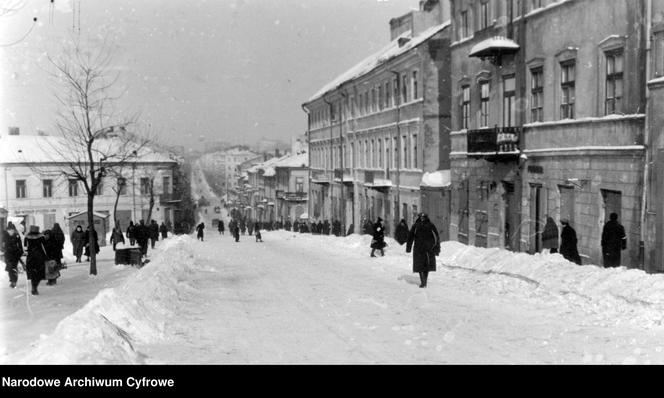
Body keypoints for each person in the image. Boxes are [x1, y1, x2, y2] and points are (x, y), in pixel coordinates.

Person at [406, 213, 440, 288]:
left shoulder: (430, 225)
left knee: (426, 266)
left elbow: (436, 237)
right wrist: (408, 248)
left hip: (428, 249)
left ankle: (424, 282)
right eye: (421, 217)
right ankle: (423, 282)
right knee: (420, 266)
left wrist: (436, 248)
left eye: (423, 217)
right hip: (419, 249)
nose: (422, 219)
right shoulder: (416, 226)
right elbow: (410, 237)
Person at [24, 226, 47, 295]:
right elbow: (45, 246)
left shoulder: (27, 237)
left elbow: (25, 248)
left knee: (32, 272)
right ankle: (35, 286)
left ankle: (34, 286)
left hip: (31, 257)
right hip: (39, 256)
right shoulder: (41, 236)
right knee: (40, 273)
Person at [4, 224, 23, 288]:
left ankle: (14, 281)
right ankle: (12, 280)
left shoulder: (16, 236)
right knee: (10, 268)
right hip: (8, 254)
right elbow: (2, 244)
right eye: (9, 230)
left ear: (14, 230)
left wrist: (20, 251)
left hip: (15, 254)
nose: (11, 231)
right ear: (7, 230)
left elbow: (20, 244)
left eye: (12, 230)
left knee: (13, 268)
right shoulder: (5, 236)